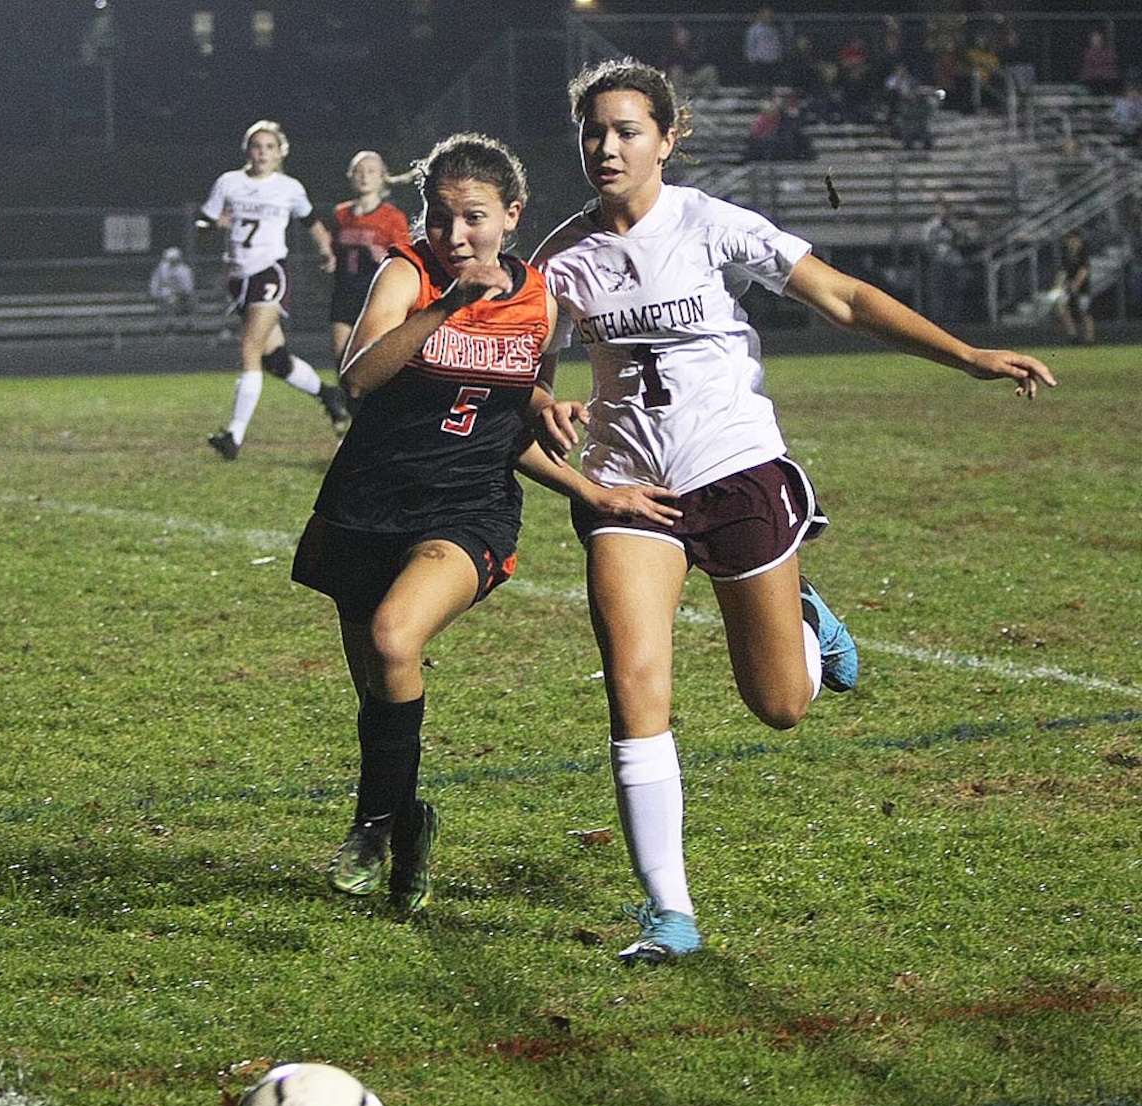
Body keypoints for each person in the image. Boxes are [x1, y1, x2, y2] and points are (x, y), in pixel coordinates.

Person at [530, 58, 1057, 965]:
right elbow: (529, 368)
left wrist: (968, 355)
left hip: (735, 472)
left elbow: (844, 297)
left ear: (667, 138)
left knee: (778, 706)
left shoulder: (713, 224)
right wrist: (546, 400)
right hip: (628, 487)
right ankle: (669, 912)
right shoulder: (559, 257)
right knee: (633, 684)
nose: (607, 147)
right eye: (594, 133)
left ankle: (807, 620)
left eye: (627, 131)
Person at [292, 132, 678, 912]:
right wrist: (446, 308)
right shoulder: (407, 273)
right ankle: (409, 825)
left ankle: (370, 827)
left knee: (393, 637)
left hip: (468, 509)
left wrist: (580, 475)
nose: (456, 234)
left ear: (511, 215)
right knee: (380, 692)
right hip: (367, 504)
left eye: (473, 217)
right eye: (440, 218)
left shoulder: (538, 298)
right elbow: (360, 376)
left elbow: (513, 422)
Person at [198, 119, 349, 460]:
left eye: (270, 147)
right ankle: (328, 396)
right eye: (257, 146)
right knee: (275, 359)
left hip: (269, 272)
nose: (263, 153)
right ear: (247, 150)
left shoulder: (289, 188)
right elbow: (203, 227)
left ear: (280, 152)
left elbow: (311, 222)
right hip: (238, 277)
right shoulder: (229, 182)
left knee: (249, 348)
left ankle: (234, 436)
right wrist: (211, 225)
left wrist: (327, 250)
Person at [328, 151, 412, 369]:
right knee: (341, 361)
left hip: (375, 293)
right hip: (344, 291)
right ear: (351, 176)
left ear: (382, 177)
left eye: (371, 171)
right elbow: (332, 250)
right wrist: (329, 259)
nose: (364, 176)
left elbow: (406, 259)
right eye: (359, 171)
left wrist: (383, 256)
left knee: (368, 361)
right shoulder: (341, 214)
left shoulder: (393, 217)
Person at [1055, 229, 1095, 344]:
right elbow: (1063, 271)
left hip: (1083, 288)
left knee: (1085, 311)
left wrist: (1076, 284)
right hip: (1068, 286)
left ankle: (1090, 338)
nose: (1070, 242)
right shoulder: (1065, 254)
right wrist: (1058, 285)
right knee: (1063, 308)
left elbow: (1084, 270)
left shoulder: (1083, 253)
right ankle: (1072, 334)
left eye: (1072, 239)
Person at [148, 246, 197, 320]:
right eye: (170, 259)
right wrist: (155, 293)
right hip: (165, 292)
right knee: (169, 300)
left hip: (181, 293)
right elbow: (155, 282)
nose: (172, 262)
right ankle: (168, 318)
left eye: (174, 259)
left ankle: (186, 318)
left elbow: (188, 286)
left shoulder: (184, 270)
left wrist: (179, 291)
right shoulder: (161, 268)